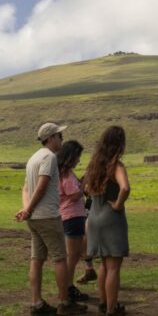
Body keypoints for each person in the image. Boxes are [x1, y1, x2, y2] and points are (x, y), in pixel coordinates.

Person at [15, 123, 87, 315]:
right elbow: (41, 186)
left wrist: (26, 209)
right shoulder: (49, 157)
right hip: (47, 216)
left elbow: (26, 188)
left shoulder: (33, 158)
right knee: (60, 259)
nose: (61, 140)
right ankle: (65, 302)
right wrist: (28, 208)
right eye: (59, 136)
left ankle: (37, 302)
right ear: (51, 138)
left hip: (35, 218)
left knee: (36, 259)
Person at [83, 126, 131, 315]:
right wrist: (118, 204)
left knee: (103, 264)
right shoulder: (116, 166)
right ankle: (112, 308)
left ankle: (103, 303)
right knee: (113, 268)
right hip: (110, 218)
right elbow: (125, 188)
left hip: (93, 217)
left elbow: (85, 189)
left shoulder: (94, 165)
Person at [57, 140, 90, 304]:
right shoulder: (67, 174)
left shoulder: (63, 173)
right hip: (72, 216)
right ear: (71, 156)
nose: (79, 160)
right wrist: (85, 181)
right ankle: (67, 288)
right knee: (72, 255)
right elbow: (75, 195)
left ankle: (67, 287)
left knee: (73, 254)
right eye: (77, 156)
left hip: (70, 216)